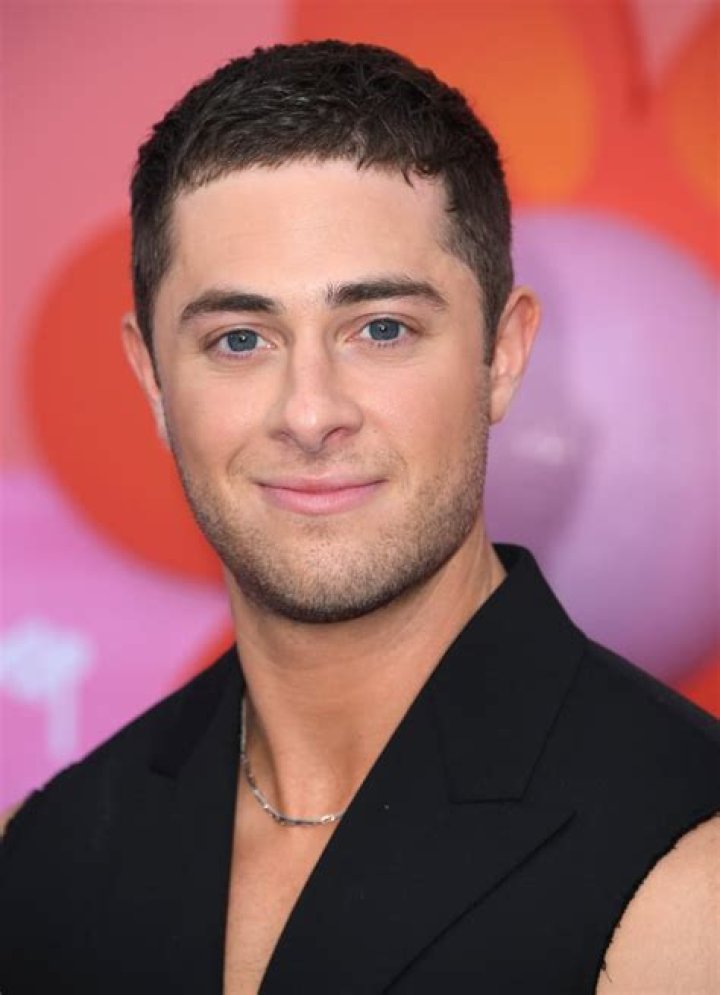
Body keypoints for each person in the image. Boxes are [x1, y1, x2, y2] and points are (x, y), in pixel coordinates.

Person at [1, 40, 718, 995]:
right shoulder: (49, 853)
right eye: (240, 339)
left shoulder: (689, 860)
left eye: (381, 329)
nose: (310, 413)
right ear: (153, 379)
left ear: (502, 356)